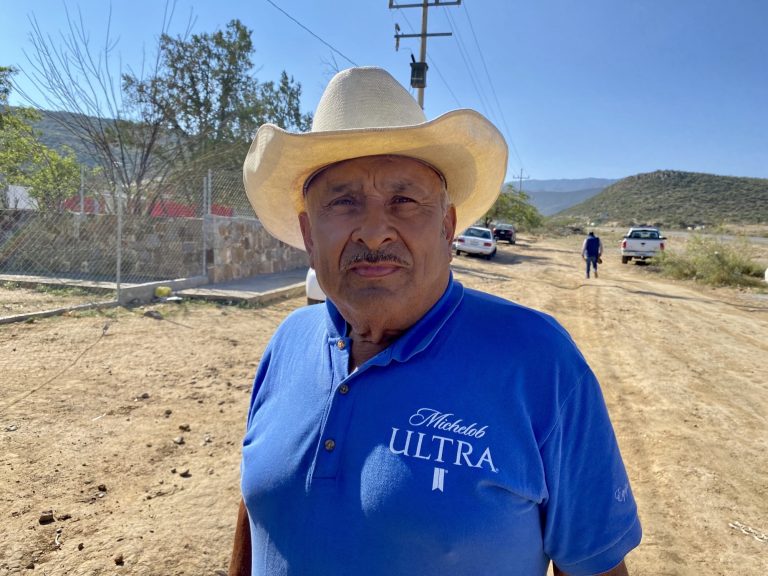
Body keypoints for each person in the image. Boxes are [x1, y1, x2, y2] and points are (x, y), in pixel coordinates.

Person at [231, 67, 641, 576]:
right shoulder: (286, 343)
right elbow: (258, 512)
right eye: (343, 201)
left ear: (447, 226)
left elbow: (595, 566)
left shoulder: (540, 361)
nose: (376, 231)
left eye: (403, 200)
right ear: (308, 234)